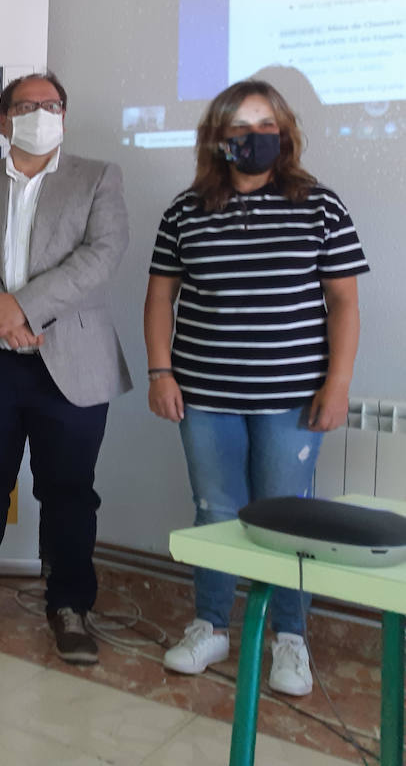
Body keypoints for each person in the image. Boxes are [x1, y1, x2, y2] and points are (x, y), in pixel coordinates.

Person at [145, 78, 367, 696]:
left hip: (291, 398)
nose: (254, 139)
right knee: (215, 511)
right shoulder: (185, 211)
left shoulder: (320, 205)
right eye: (240, 129)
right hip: (205, 396)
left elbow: (344, 301)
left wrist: (338, 383)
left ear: (286, 133)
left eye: (266, 127)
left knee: (287, 517)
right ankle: (211, 624)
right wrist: (160, 372)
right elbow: (161, 294)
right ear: (217, 141)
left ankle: (289, 637)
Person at [0, 72, 131, 665]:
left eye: (51, 104)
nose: (40, 113)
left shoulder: (97, 178)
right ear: (3, 119)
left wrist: (25, 305)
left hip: (70, 363)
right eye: (26, 106)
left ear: (64, 113)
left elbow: (103, 255)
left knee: (69, 491)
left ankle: (69, 606)